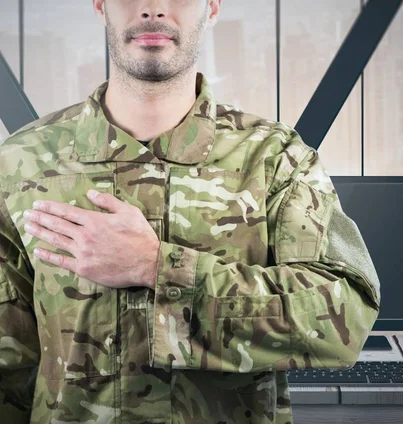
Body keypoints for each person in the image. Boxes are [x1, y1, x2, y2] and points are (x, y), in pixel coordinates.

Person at [0, 0, 381, 422]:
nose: (153, 8)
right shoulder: (21, 163)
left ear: (212, 6)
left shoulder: (275, 160)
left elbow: (346, 315)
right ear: (100, 4)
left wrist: (157, 268)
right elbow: (8, 365)